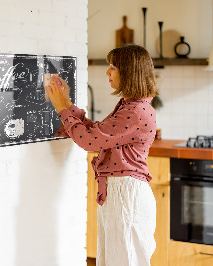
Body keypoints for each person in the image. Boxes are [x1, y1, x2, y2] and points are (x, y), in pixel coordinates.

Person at [46, 44, 158, 266]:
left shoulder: (135, 111)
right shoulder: (131, 106)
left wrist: (61, 108)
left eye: (113, 67)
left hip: (126, 195)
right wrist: (67, 104)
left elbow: (89, 141)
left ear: (129, 72)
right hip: (121, 193)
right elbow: (97, 133)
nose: (107, 72)